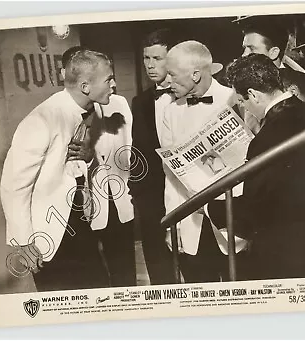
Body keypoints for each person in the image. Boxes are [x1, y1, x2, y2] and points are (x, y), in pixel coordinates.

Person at [1, 49, 116, 291]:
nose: (113, 85)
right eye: (108, 79)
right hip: (50, 238)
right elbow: (14, 184)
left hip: (78, 227)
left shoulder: (87, 111)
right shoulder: (42, 119)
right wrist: (23, 241)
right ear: (85, 86)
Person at [207, 54, 305, 280]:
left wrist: (210, 207)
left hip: (286, 250)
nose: (244, 108)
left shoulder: (264, 140)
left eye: (242, 101)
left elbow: (257, 207)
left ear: (253, 94)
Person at [161, 40, 247, 283]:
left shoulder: (234, 99)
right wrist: (172, 223)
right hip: (190, 223)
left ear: (196, 74)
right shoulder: (170, 111)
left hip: (231, 220)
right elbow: (170, 173)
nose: (168, 82)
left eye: (173, 76)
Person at [62, 46, 137, 287]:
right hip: (80, 209)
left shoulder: (119, 104)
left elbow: (128, 151)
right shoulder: (61, 112)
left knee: (125, 276)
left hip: (118, 201)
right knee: (91, 279)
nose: (113, 84)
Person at [129, 28, 178, 285]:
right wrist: (136, 188)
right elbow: (139, 147)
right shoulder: (140, 102)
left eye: (156, 59)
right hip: (151, 194)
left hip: (186, 191)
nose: (149, 65)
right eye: (146, 59)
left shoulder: (191, 94)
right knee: (158, 264)